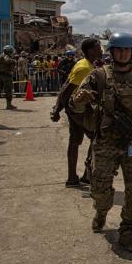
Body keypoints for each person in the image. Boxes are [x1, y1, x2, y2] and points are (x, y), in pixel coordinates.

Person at [71, 32, 132, 252]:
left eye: (126, 49)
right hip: (105, 143)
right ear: (111, 52)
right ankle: (101, 211)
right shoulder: (98, 76)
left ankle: (128, 232)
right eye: (118, 49)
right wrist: (80, 100)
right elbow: (76, 107)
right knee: (100, 189)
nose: (122, 53)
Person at [51, 38, 103, 188]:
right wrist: (57, 110)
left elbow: (65, 85)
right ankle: (87, 174)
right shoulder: (85, 68)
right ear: (91, 51)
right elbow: (67, 89)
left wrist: (58, 108)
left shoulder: (84, 64)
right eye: (98, 48)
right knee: (97, 137)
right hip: (78, 109)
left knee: (74, 141)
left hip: (75, 108)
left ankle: (73, 178)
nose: (101, 50)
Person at [0, 45, 17, 110]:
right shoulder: (5, 56)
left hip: (0, 75)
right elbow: (7, 60)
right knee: (8, 90)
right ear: (8, 51)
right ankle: (9, 105)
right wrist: (14, 61)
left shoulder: (1, 55)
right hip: (6, 75)